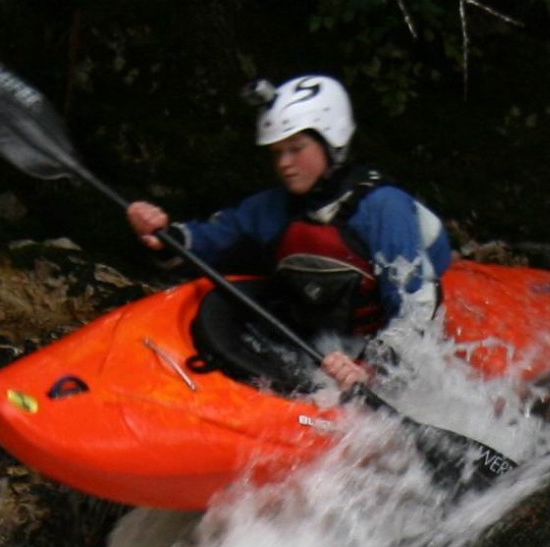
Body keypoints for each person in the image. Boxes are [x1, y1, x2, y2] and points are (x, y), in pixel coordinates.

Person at [126, 74, 451, 394]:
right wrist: (162, 235)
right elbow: (209, 242)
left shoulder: (383, 208)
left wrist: (370, 369)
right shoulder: (272, 208)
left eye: (296, 148)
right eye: (277, 152)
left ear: (331, 143)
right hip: (319, 338)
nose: (284, 163)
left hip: (372, 347)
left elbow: (414, 309)